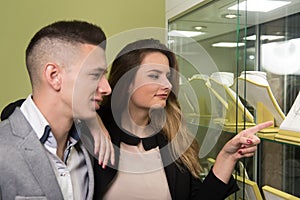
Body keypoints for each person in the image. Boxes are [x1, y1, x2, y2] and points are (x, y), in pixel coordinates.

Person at [93, 38, 273, 200]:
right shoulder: (92, 135)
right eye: (154, 76)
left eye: (168, 76)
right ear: (125, 81)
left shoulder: (175, 142)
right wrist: (92, 121)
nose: (168, 85)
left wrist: (227, 157)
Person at [0, 20, 114, 200]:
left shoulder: (90, 147)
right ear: (54, 76)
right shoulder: (4, 150)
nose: (107, 88)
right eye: (94, 75)